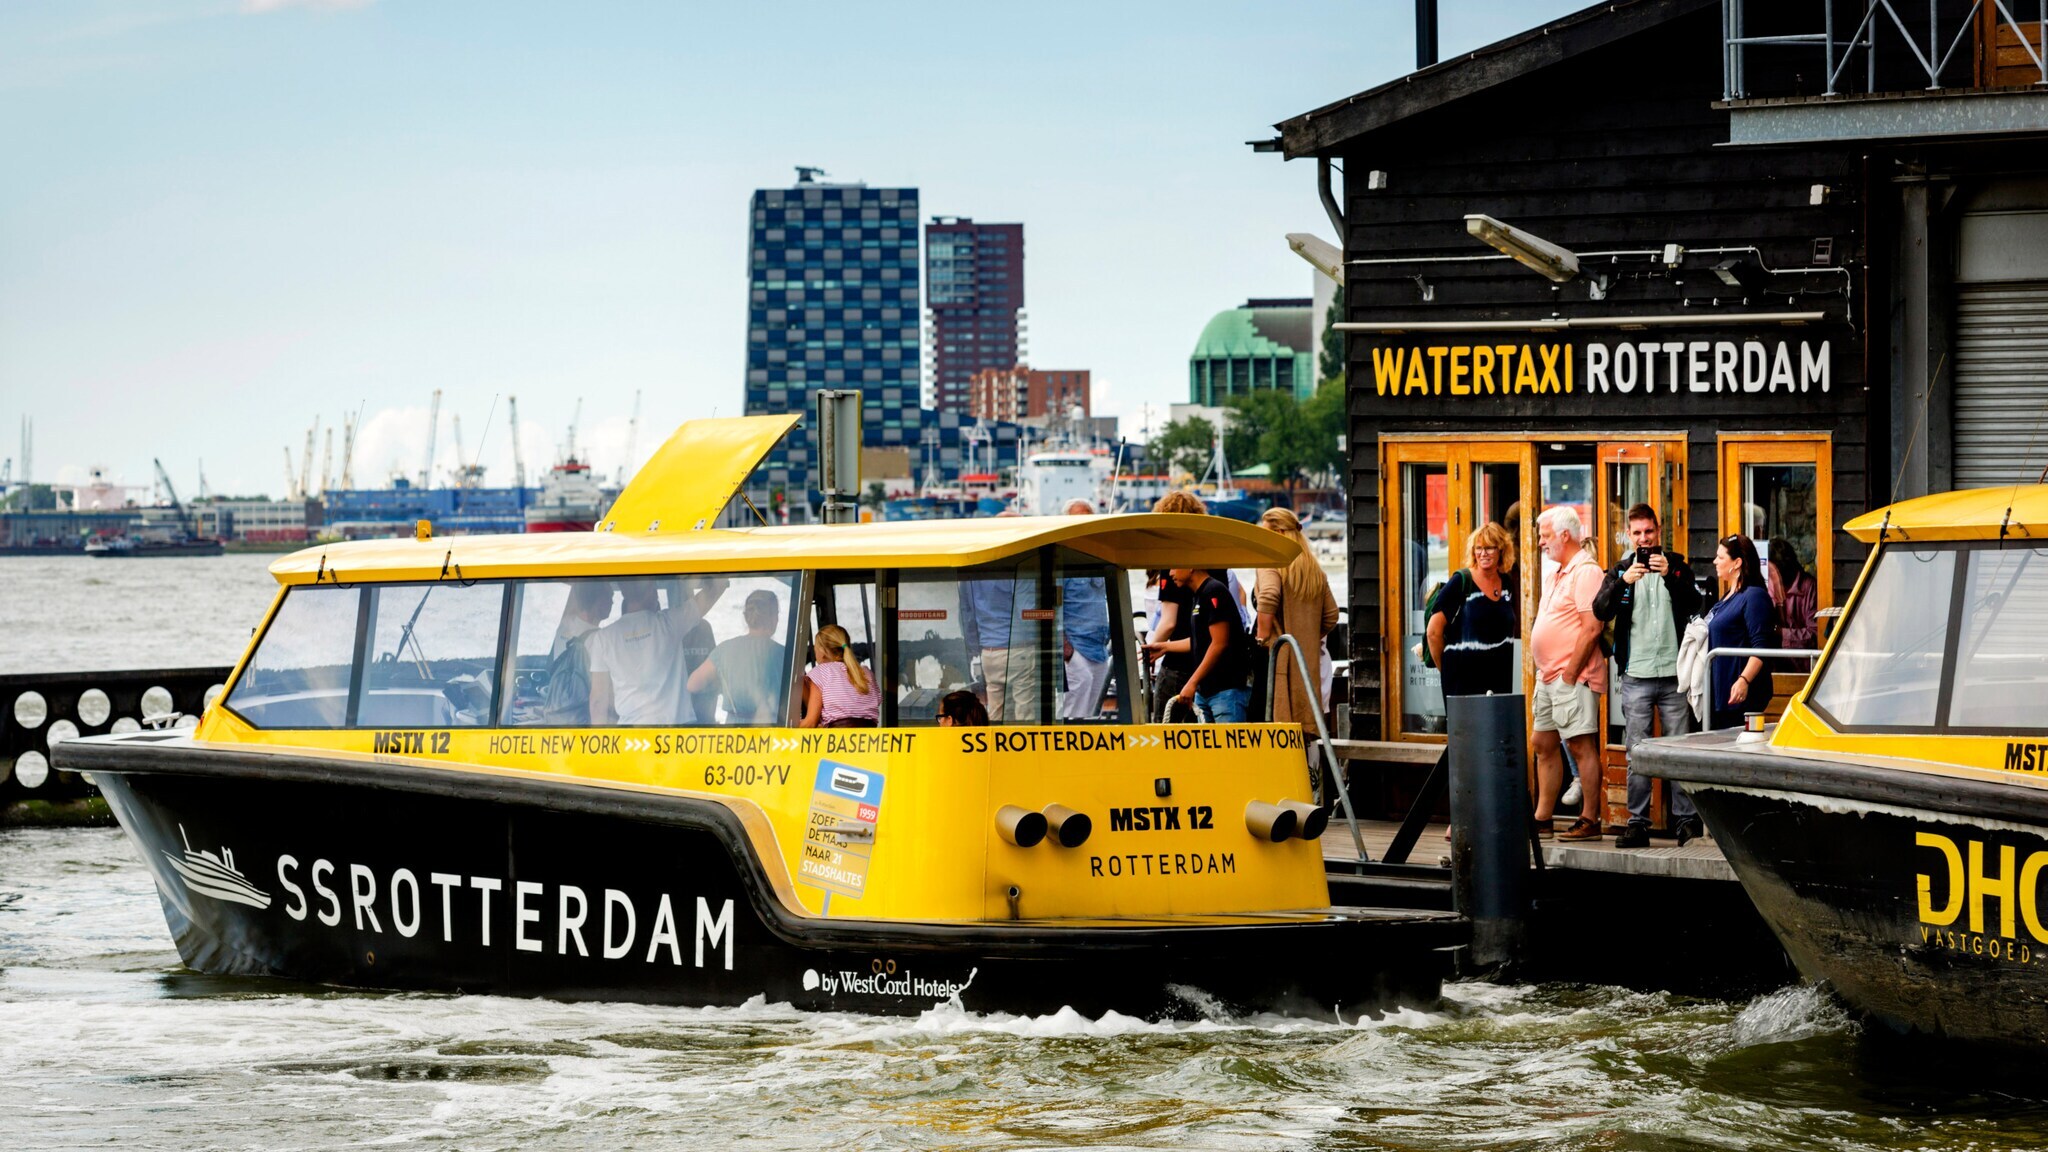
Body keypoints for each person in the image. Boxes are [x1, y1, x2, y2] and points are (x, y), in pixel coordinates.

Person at [1592, 504, 1703, 848]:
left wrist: (1670, 574)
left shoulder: (1677, 566)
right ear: (1629, 535)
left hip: (1673, 674)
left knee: (1679, 751)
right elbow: (1600, 609)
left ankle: (1685, 822)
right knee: (1637, 752)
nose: (1644, 539)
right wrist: (1623, 583)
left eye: (1649, 532)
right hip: (1637, 674)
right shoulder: (1621, 570)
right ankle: (1637, 823)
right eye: (1637, 533)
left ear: (1659, 530)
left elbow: (1695, 605)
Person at [1530, 506, 1606, 841]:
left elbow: (1592, 629)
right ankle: (1542, 817)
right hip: (1548, 676)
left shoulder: (1586, 572)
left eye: (1545, 535)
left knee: (1579, 745)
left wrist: (1570, 674)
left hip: (1571, 676)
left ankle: (1590, 819)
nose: (1540, 542)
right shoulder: (1555, 572)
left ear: (1565, 534)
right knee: (1542, 742)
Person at [586, 577, 728, 726]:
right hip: (677, 731)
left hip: (630, 736)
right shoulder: (670, 623)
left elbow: (597, 701)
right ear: (651, 591)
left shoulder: (603, 638)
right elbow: (715, 590)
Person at [1254, 507, 1340, 740]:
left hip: (1277, 661)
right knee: (1304, 734)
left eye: (1266, 534)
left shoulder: (1271, 562)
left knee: (1277, 732)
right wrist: (1310, 633)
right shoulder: (1314, 569)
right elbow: (1332, 615)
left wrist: (1262, 637)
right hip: (1306, 663)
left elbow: (1269, 595)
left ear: (1279, 533)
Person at [1426, 521, 1519, 700]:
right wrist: (1447, 671)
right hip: (1463, 685)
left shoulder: (1506, 583)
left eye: (1490, 548)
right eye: (1478, 548)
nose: (1483, 553)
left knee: (1497, 727)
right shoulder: (1460, 582)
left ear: (1501, 550)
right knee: (1467, 729)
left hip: (1499, 679)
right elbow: (1433, 632)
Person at [1146, 567, 1253, 723]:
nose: (1170, 574)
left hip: (1225, 690)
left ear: (1190, 567)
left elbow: (1219, 643)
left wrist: (1192, 682)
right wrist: (1165, 647)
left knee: (1229, 746)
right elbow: (1201, 640)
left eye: (1175, 567)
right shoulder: (1199, 595)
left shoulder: (1213, 591)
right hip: (1205, 692)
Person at [1146, 491, 1209, 721]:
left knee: (1167, 728)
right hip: (1208, 662)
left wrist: (1150, 648)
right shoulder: (1213, 559)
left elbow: (1168, 622)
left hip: (1178, 664)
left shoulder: (1173, 561)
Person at [685, 588, 786, 724]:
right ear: (774, 618)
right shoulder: (784, 654)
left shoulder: (724, 650)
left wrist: (724, 683)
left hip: (734, 733)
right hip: (772, 731)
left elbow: (693, 684)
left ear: (746, 617)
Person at [1707, 534, 1775, 732]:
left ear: (1736, 563)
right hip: (1722, 693)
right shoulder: (1729, 596)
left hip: (1741, 695)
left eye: (1720, 557)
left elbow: (1761, 646)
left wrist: (1744, 680)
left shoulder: (1754, 596)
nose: (1715, 561)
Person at [1060, 499, 1113, 720]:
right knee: (1075, 707)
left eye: (1088, 519)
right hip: (1075, 647)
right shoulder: (1062, 561)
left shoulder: (1100, 556)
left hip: (1099, 647)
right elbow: (1051, 606)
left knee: (1094, 711)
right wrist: (1066, 649)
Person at [800, 623, 878, 728]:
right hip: (869, 739)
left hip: (837, 740)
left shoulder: (821, 672)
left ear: (822, 652)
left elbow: (810, 723)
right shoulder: (866, 672)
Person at [1769, 537, 1819, 670]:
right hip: (1774, 669)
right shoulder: (1768, 587)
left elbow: (1815, 635)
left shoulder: (1809, 587)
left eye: (1772, 572)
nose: (1769, 576)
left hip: (1802, 671)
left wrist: (1780, 632)